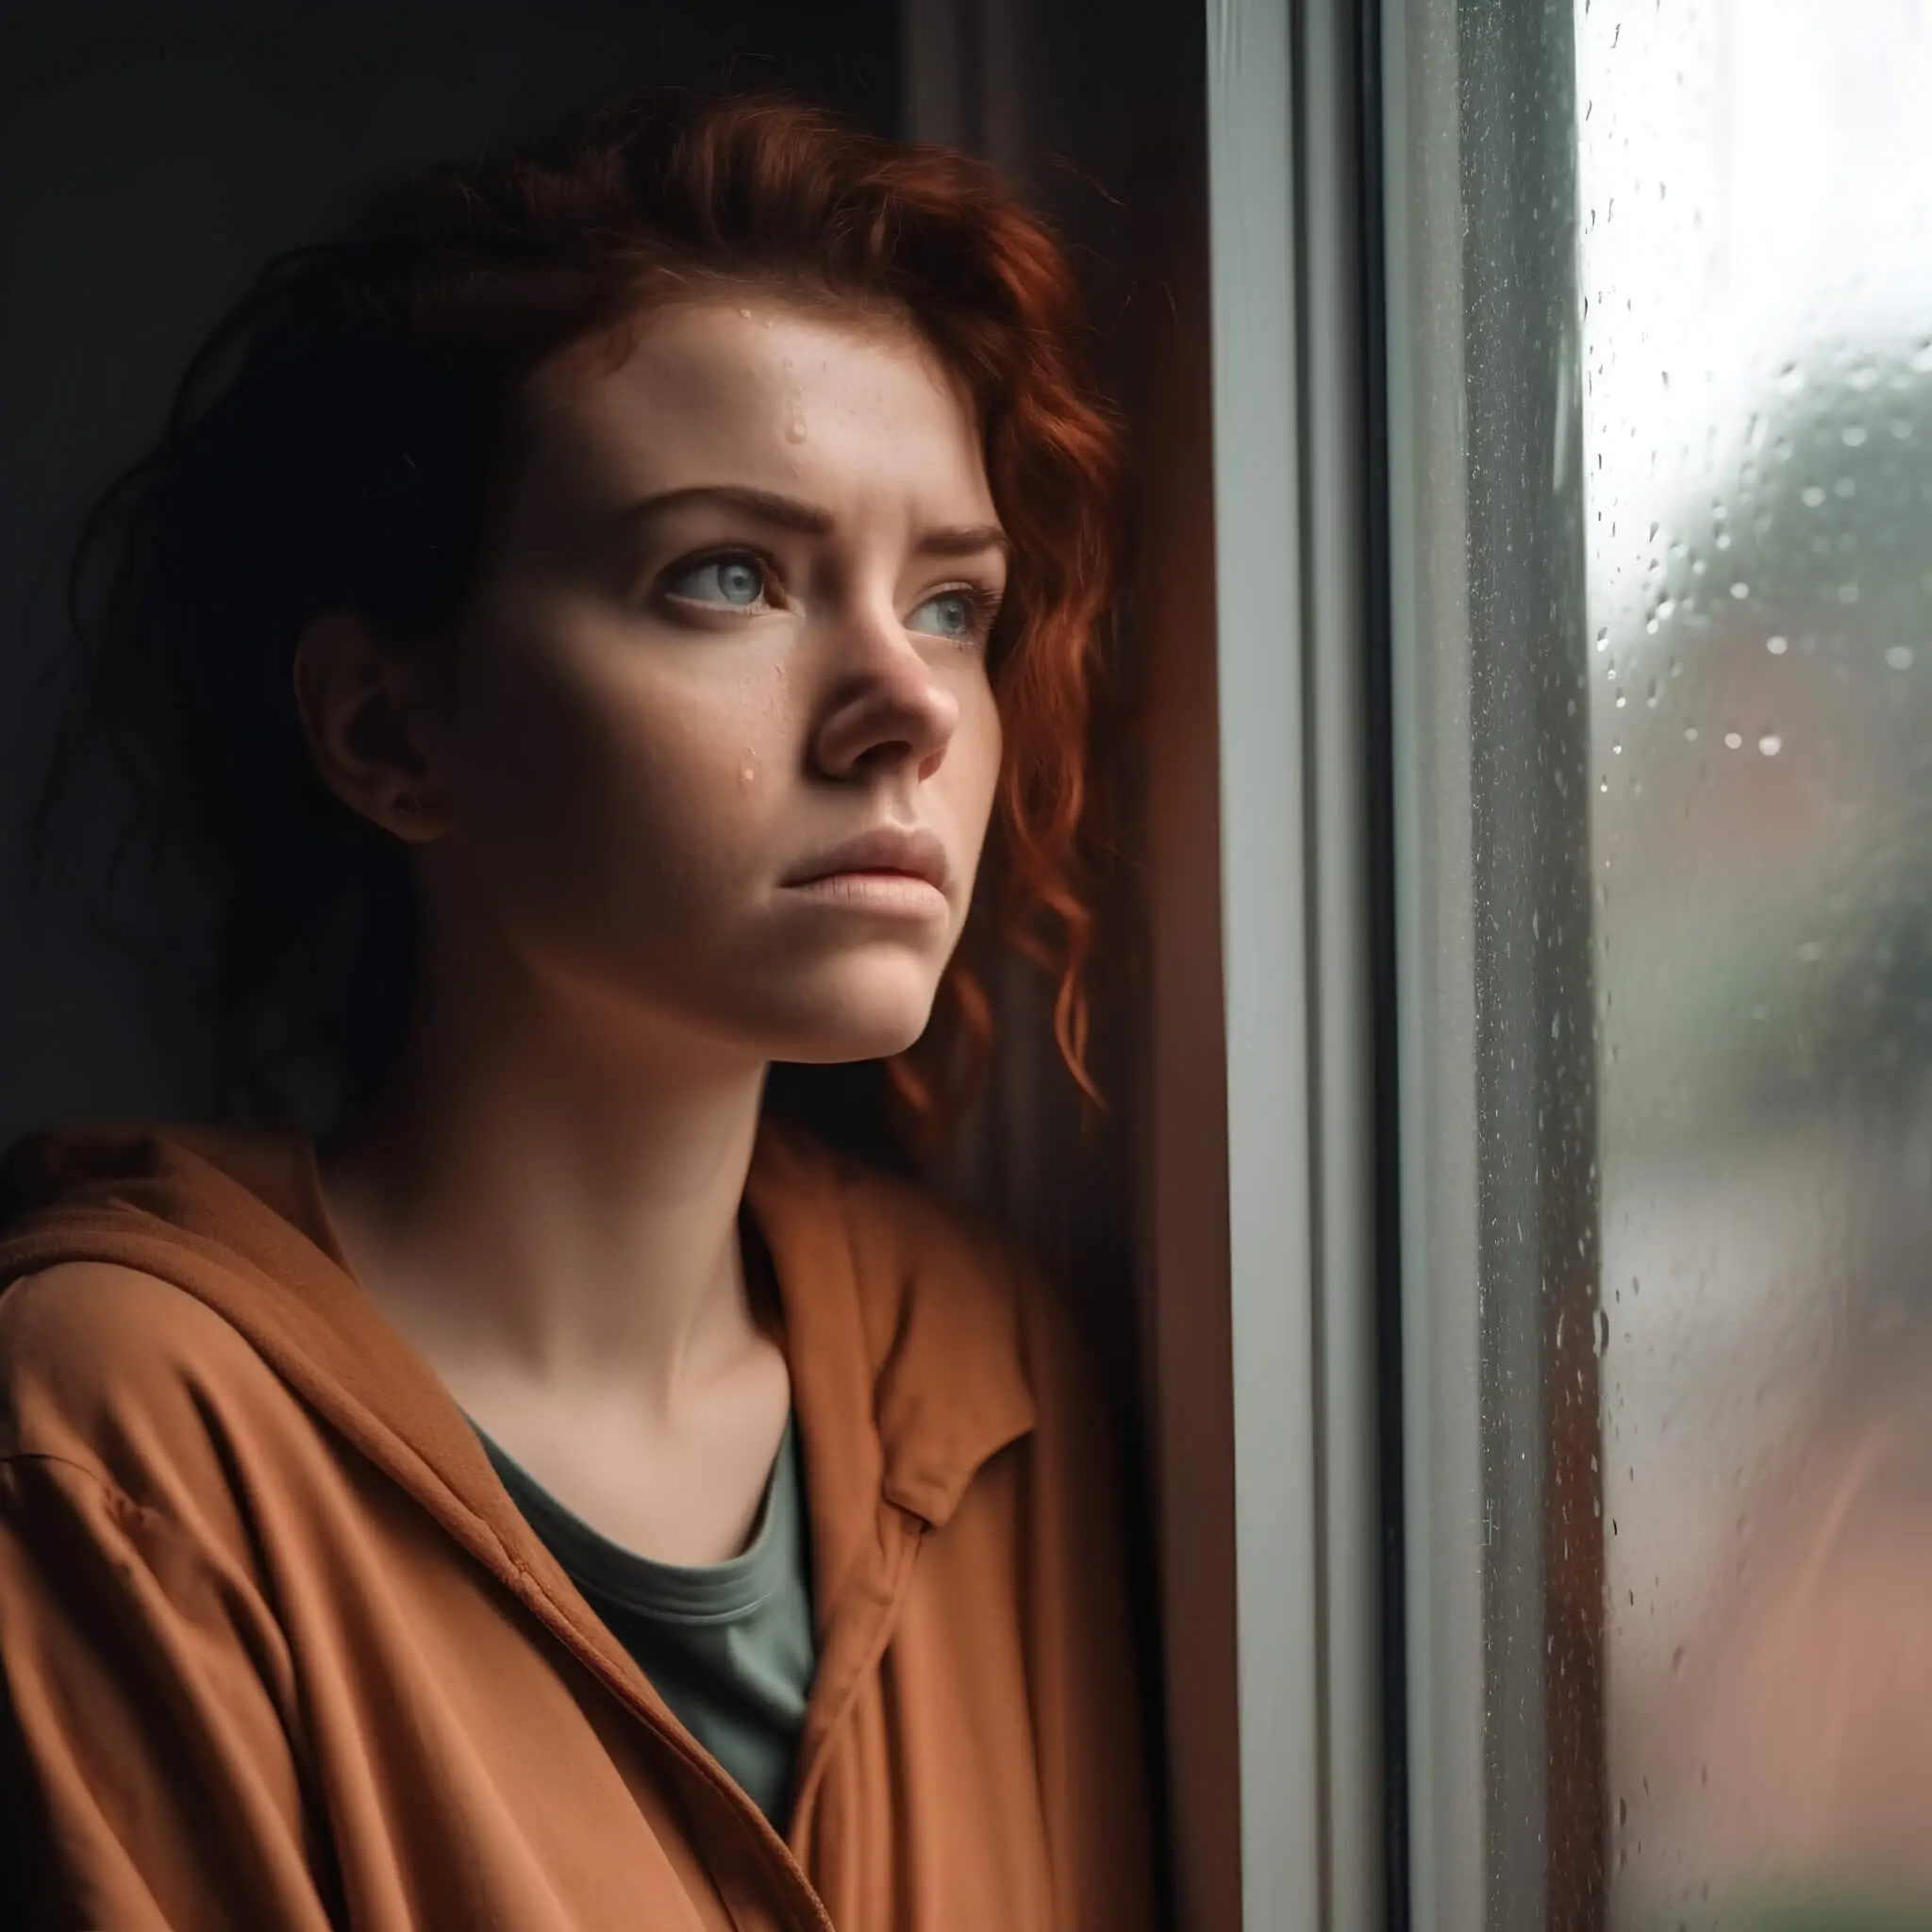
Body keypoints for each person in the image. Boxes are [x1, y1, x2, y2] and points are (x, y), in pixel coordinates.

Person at [0, 89, 1153, 1930]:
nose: (908, 708)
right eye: (727, 575)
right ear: (391, 728)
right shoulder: (117, 1433)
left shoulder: (989, 1377)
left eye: (951, 603)